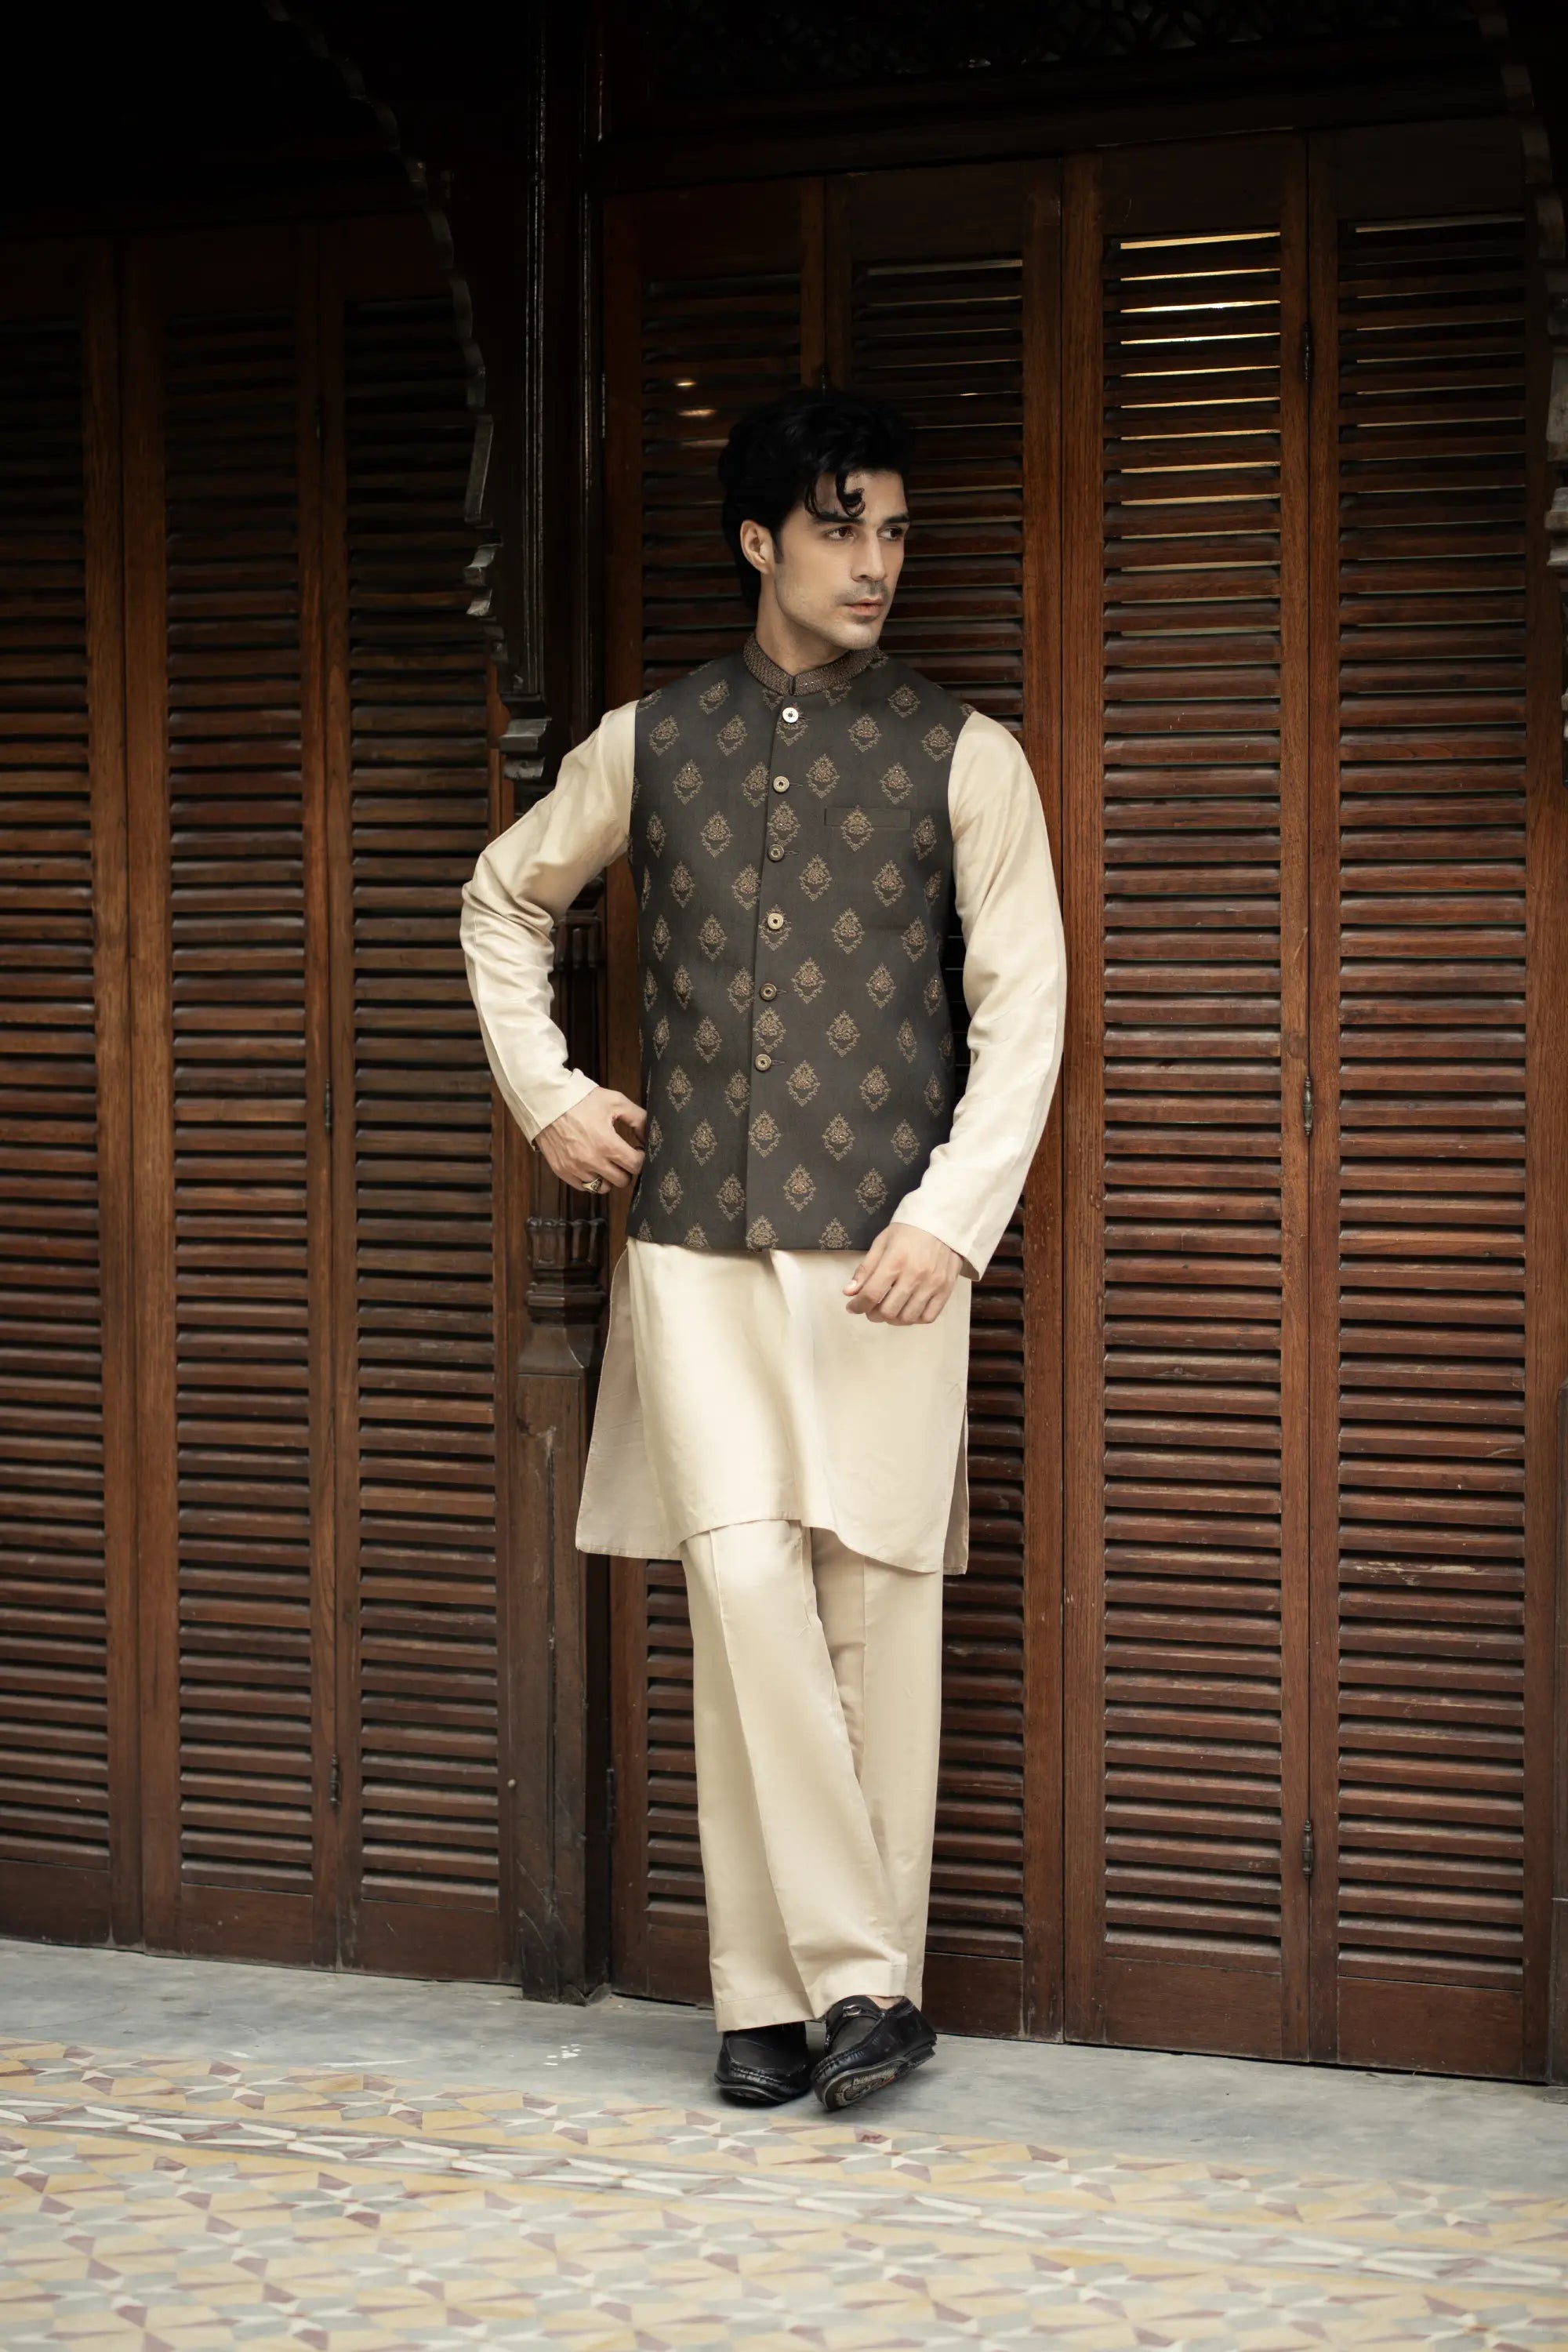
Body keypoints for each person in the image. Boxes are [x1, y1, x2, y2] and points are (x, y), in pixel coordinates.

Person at [460, 387, 1065, 2111]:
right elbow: (502, 899)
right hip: (695, 1252)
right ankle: (861, 1980)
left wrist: (951, 1217)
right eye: (839, 528)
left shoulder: (968, 756)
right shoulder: (647, 743)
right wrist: (549, 1094)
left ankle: (775, 2005)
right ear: (758, 541)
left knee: (874, 1614)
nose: (875, 563)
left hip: (892, 1254)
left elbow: (1025, 1010)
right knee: (742, 1591)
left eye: (895, 533)